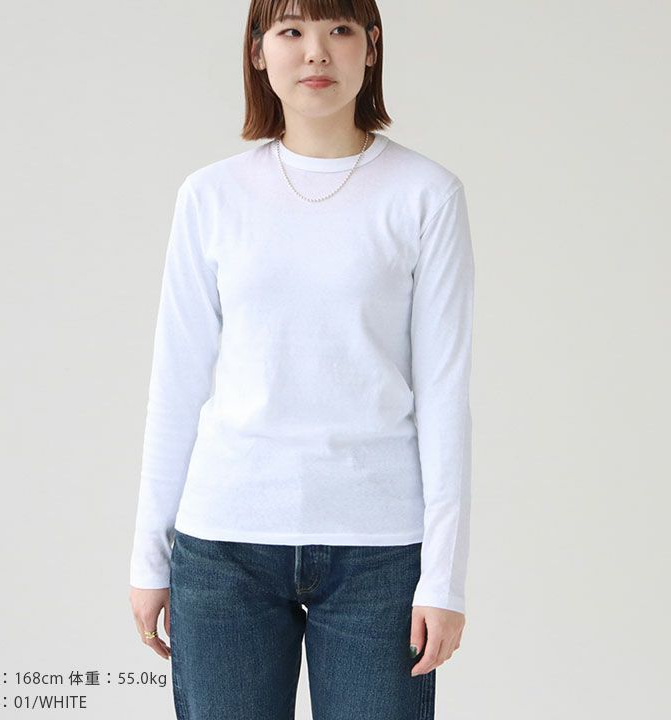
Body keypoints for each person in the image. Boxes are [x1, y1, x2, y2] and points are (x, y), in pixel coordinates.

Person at [129, 1, 475, 718]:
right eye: (291, 31)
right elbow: (176, 383)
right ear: (259, 52)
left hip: (380, 550)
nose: (316, 51)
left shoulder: (425, 194)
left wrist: (443, 578)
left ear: (371, 47)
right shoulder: (212, 195)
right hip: (224, 544)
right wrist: (147, 557)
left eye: (339, 30)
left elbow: (445, 392)